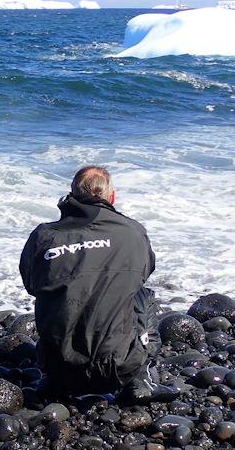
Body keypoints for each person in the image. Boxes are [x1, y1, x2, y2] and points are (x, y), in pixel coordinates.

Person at [19, 165, 173, 403]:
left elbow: (31, 285)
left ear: (71, 194)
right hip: (118, 366)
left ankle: (54, 381)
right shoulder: (132, 231)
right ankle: (140, 380)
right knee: (143, 295)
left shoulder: (44, 236)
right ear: (112, 196)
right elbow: (143, 274)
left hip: (58, 367)